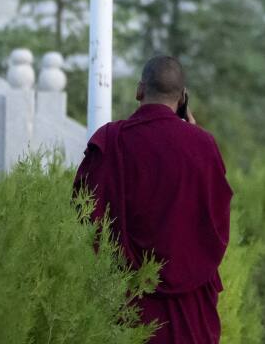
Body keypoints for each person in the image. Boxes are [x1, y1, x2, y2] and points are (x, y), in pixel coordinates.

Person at [74, 55, 233, 343]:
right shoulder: (203, 146)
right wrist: (194, 139)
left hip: (127, 304)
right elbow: (217, 226)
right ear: (183, 98)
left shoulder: (112, 140)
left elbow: (85, 214)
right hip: (189, 310)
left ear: (139, 90)